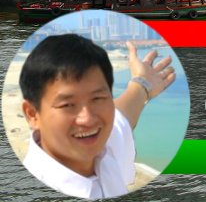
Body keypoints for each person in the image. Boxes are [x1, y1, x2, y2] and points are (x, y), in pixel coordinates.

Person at [19, 34, 176, 200]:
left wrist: (142, 83)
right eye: (67, 105)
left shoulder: (104, 146)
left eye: (97, 98)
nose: (87, 119)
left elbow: (121, 117)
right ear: (32, 114)